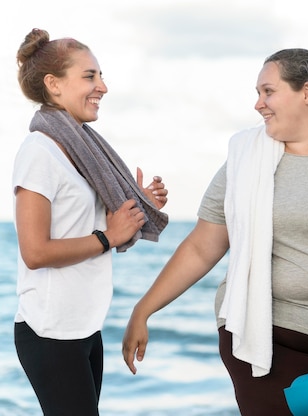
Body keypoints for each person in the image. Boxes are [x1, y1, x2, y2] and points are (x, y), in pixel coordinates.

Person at [122, 48, 308, 415]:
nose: (258, 104)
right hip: (272, 340)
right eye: (258, 94)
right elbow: (202, 247)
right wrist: (143, 310)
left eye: (268, 92)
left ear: (306, 93)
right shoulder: (246, 158)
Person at [12, 28, 169, 416]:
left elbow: (80, 219)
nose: (102, 86)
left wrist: (137, 206)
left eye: (100, 76)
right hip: (50, 332)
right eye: (90, 76)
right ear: (54, 85)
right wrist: (107, 236)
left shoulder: (78, 149)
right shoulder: (40, 151)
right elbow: (34, 252)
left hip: (84, 326)